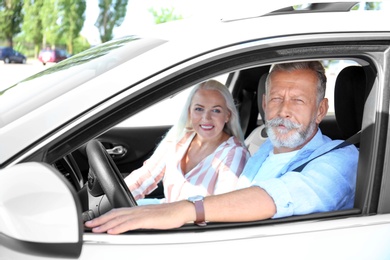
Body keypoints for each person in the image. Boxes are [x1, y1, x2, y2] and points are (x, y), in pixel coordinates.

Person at [85, 61, 359, 234]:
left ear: (321, 110)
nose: (283, 111)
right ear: (264, 104)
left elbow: (279, 196)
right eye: (276, 98)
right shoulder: (264, 150)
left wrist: (181, 210)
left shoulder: (342, 158)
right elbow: (232, 205)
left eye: (298, 100)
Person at [124, 79, 250, 204]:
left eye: (216, 110)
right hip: (167, 212)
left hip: (197, 222)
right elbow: (144, 177)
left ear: (227, 115)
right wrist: (115, 197)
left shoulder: (234, 154)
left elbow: (222, 208)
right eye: (199, 109)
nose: (206, 118)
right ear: (189, 112)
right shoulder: (179, 138)